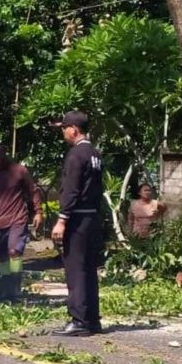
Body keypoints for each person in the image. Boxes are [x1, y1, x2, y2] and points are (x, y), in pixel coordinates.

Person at [51, 111, 105, 336]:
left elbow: (72, 189)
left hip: (77, 217)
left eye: (64, 128)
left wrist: (62, 219)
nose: (63, 132)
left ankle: (79, 320)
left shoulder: (76, 155)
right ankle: (92, 319)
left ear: (74, 129)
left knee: (75, 269)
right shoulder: (95, 154)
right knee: (89, 269)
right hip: (92, 216)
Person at [0, 142, 44, 300]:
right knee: (3, 257)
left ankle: (15, 286)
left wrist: (38, 212)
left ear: (0, 157)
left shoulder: (19, 171)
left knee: (14, 252)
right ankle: (6, 287)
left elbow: (33, 191)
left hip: (18, 218)